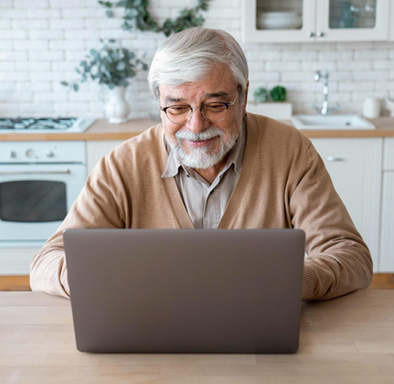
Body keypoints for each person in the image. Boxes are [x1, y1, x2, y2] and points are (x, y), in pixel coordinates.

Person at [30, 27, 372, 301]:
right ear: (160, 102)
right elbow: (46, 264)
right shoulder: (122, 165)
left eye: (215, 105)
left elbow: (351, 256)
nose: (196, 126)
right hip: (150, 341)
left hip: (257, 346)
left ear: (243, 96)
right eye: (177, 108)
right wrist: (117, 281)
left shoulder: (290, 150)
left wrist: (297, 281)